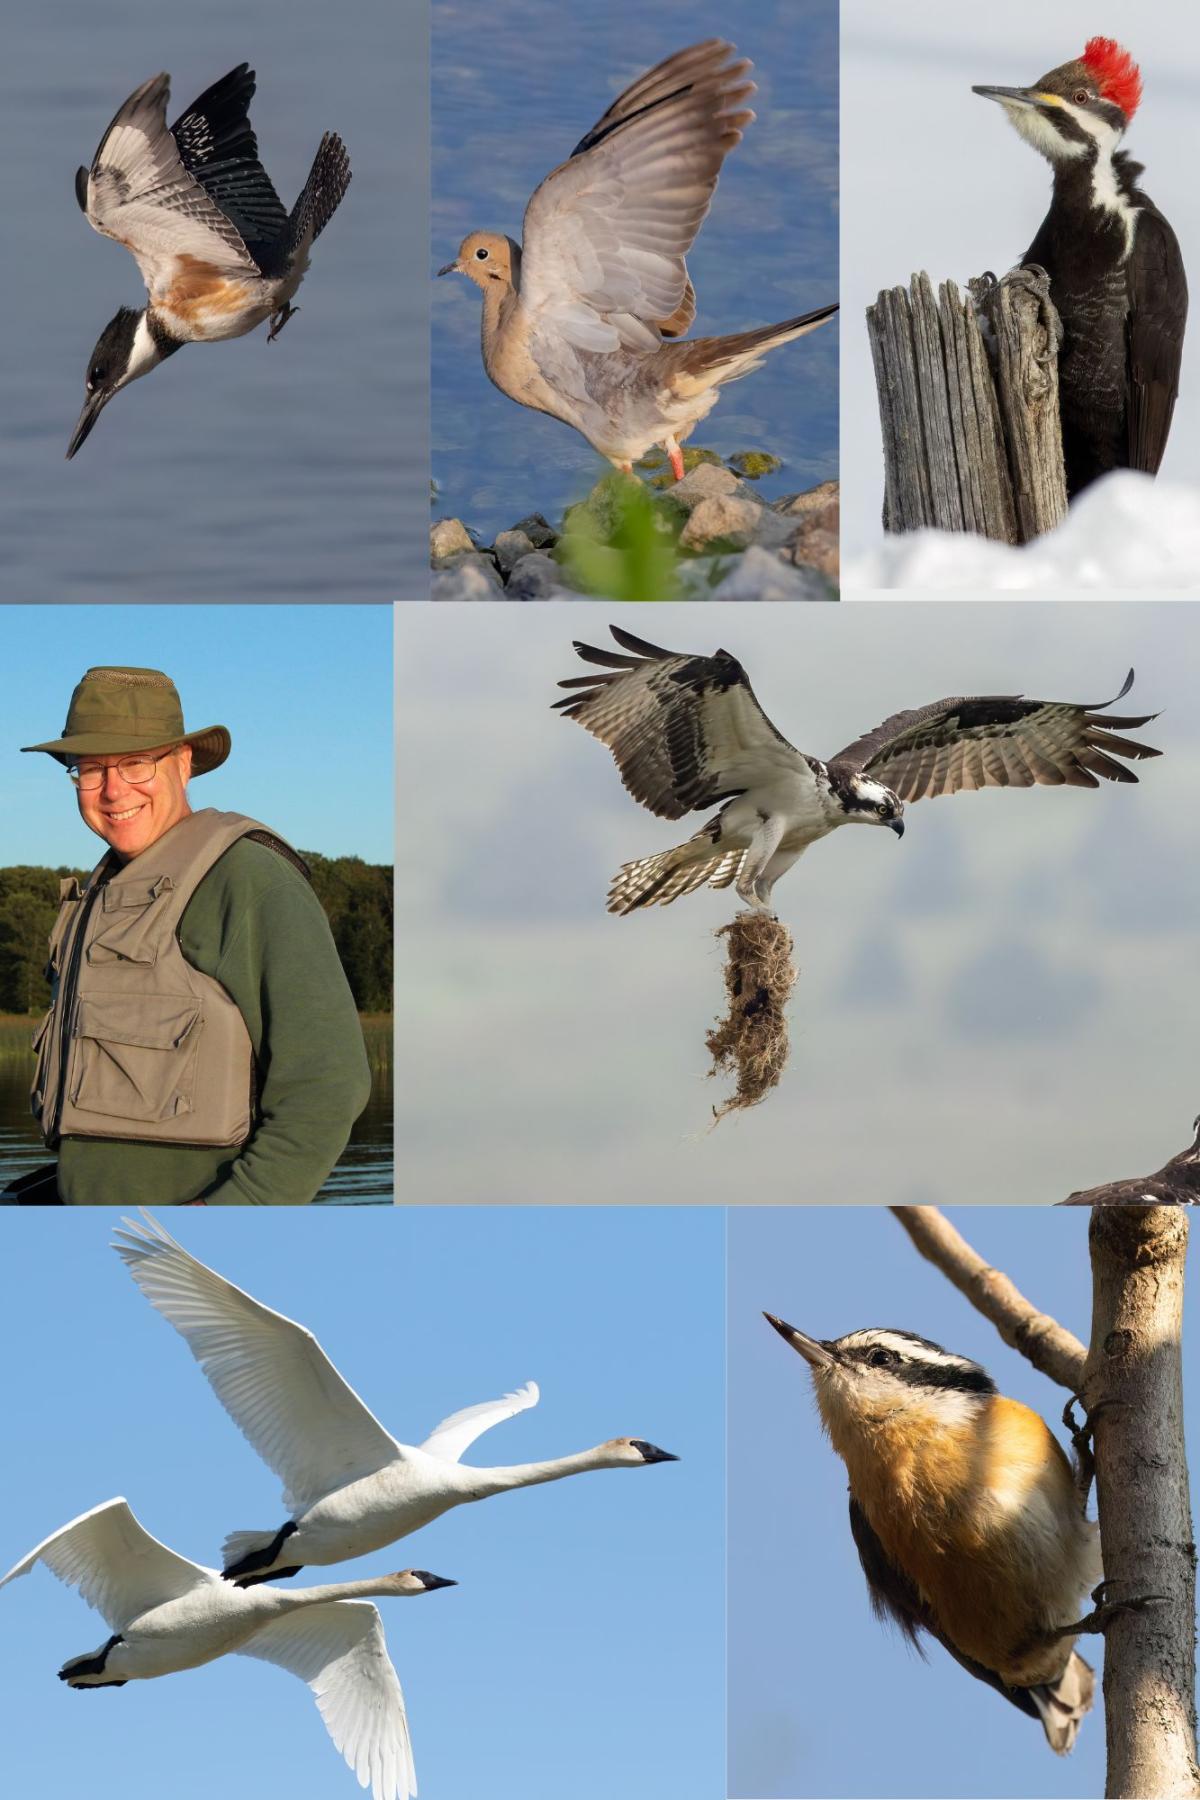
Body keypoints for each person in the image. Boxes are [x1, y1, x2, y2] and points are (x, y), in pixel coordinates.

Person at [5, 665, 371, 1205]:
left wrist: (228, 1218)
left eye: (135, 764)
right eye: (90, 770)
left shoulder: (248, 879)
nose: (112, 791)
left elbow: (329, 1084)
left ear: (182, 764)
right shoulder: (105, 889)